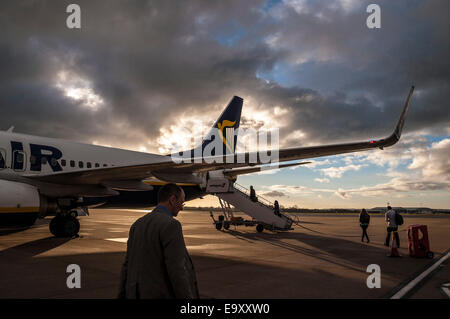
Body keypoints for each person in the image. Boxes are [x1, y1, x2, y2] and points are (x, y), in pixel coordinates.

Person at [118, 183, 199, 299]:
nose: (182, 207)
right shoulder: (172, 225)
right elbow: (177, 270)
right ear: (172, 200)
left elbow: (126, 266)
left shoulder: (137, 224)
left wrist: (121, 295)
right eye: (181, 202)